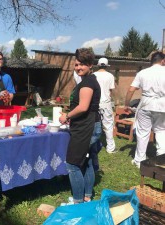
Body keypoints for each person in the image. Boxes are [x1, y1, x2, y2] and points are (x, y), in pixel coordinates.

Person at [59, 48, 101, 204]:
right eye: (76, 65)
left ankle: (78, 202)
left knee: (73, 164)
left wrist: (67, 116)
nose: (78, 68)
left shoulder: (88, 82)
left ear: (90, 65)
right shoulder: (88, 80)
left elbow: (83, 107)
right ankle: (87, 196)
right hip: (90, 124)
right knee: (88, 161)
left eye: (82, 64)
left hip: (86, 127)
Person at [124, 51, 165, 168]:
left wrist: (126, 105)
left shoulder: (143, 73)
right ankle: (161, 160)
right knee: (162, 132)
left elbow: (131, 89)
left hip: (146, 104)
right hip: (163, 105)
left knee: (143, 133)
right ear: (163, 61)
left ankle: (139, 160)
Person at [93, 57, 116, 153]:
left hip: (95, 102)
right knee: (108, 125)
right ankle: (110, 148)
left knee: (93, 124)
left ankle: (92, 145)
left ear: (98, 65)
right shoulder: (110, 76)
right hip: (106, 103)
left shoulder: (93, 75)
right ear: (106, 66)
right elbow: (111, 90)